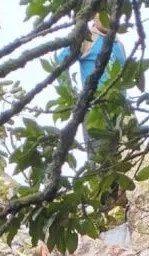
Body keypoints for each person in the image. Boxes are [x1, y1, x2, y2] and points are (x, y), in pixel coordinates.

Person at [55, 15, 132, 162]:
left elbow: (124, 76)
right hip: (95, 111)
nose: (107, 16)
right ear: (95, 14)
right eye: (103, 12)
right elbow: (61, 60)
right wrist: (71, 94)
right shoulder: (88, 38)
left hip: (117, 114)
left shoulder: (119, 45)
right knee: (98, 162)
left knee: (114, 166)